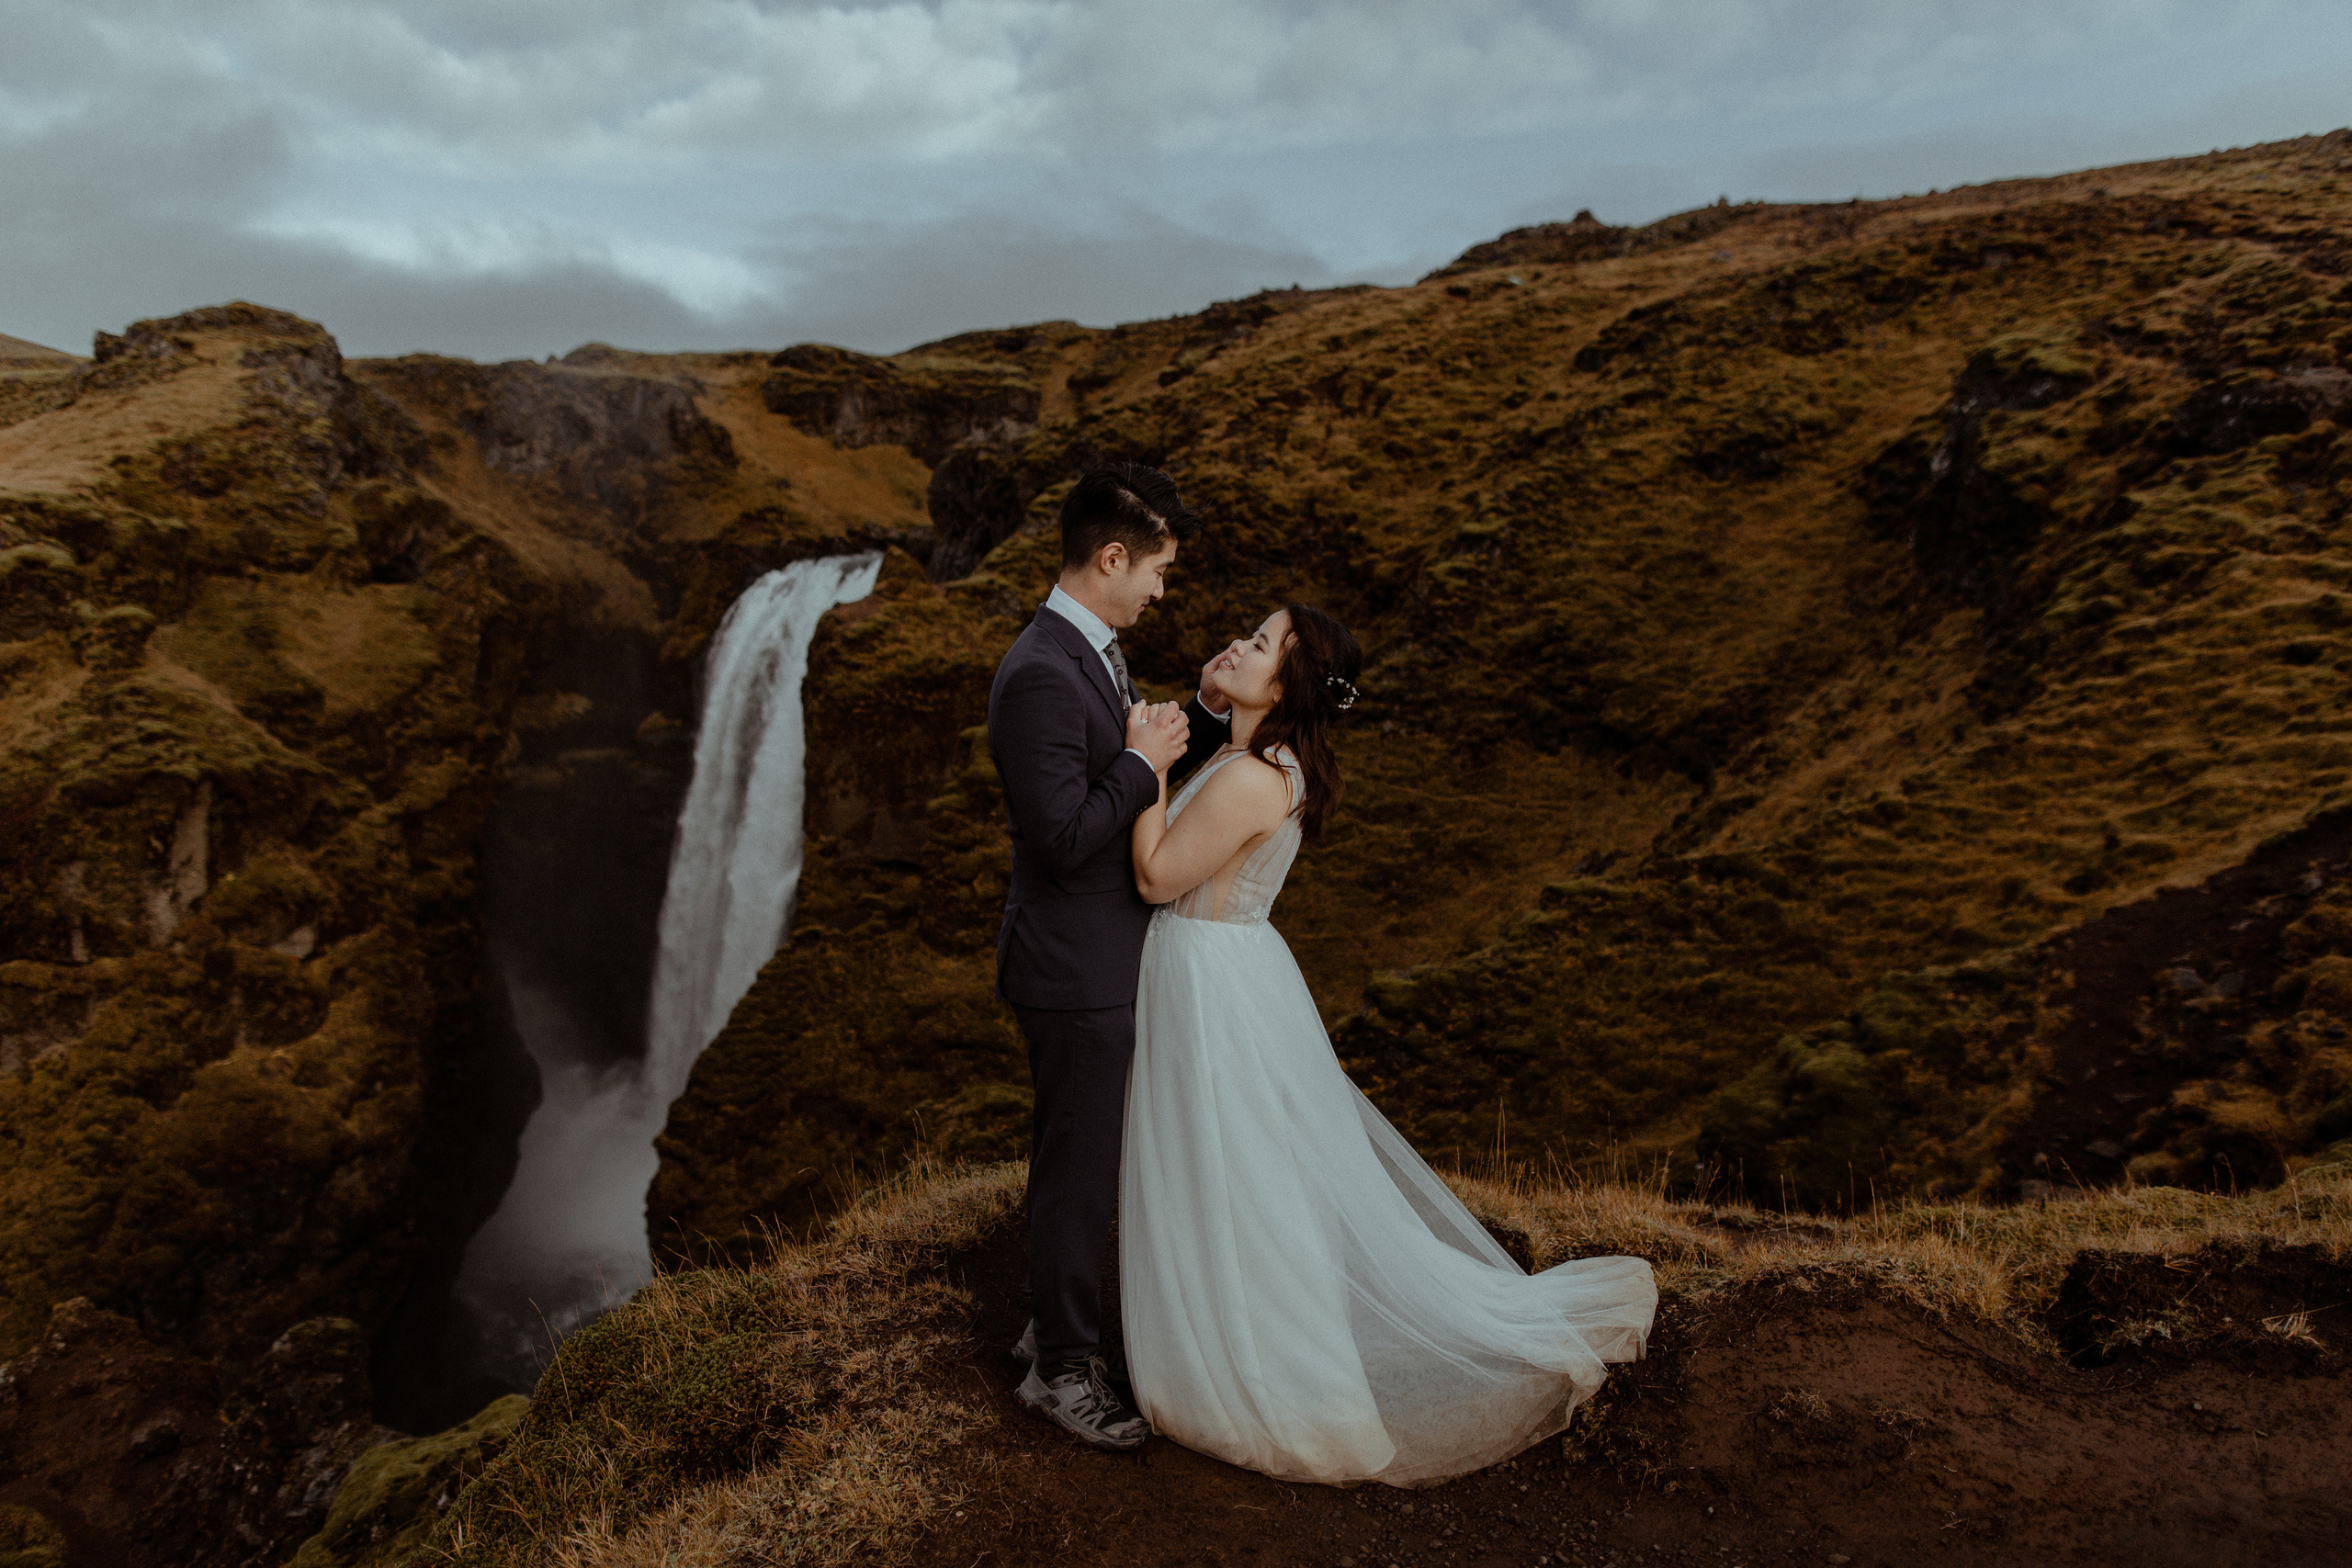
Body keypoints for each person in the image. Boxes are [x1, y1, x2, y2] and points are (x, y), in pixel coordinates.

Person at [1118, 604, 1658, 1485]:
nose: (1240, 645)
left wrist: (1144, 767)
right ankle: (1240, 1341)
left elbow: (1153, 875)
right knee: (1237, 1168)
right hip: (1225, 970)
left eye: (1261, 644)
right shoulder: (1259, 761)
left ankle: (1277, 1374)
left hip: (1209, 980)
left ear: (1284, 688)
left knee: (1235, 1172)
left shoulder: (1252, 776)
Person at [985, 462, 1229, 1450]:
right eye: (1158, 572)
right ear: (1113, 557)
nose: (1161, 592)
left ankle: (1053, 1325)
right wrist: (1140, 762)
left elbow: (1127, 765)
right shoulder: (1041, 673)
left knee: (1078, 1158)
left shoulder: (1089, 650)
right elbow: (1063, 836)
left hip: (1093, 958)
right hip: (1071, 968)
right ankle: (1059, 1371)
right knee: (1079, 1170)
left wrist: (1200, 716)